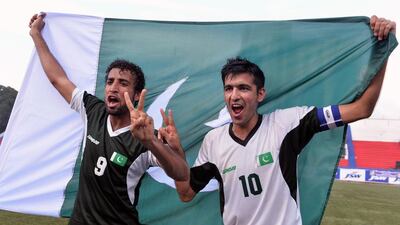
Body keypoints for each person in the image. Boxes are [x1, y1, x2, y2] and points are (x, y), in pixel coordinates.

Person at [158, 16, 396, 225]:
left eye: (243, 88)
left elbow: (361, 109)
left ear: (260, 94)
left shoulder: (289, 122)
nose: (234, 95)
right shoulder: (213, 141)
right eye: (228, 88)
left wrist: (382, 51)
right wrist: (176, 151)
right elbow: (186, 193)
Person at [29, 13, 189, 225]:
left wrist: (151, 142)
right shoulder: (92, 110)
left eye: (123, 83)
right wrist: (36, 35)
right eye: (110, 81)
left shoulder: (145, 135)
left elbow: (182, 173)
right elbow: (58, 79)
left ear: (136, 94)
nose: (113, 87)